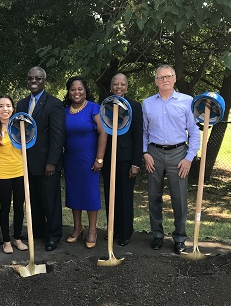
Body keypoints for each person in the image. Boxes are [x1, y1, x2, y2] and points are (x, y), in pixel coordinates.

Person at [142, 65, 200, 254]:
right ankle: (157, 236)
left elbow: (194, 132)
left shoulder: (187, 101)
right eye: (161, 77)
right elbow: (143, 131)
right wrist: (145, 153)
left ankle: (180, 238)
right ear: (156, 81)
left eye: (168, 76)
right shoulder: (148, 103)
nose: (165, 80)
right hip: (154, 153)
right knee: (153, 197)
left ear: (175, 78)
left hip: (179, 154)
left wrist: (189, 158)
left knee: (180, 199)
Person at [16, 66, 65, 251]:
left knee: (50, 201)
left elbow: (57, 136)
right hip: (26, 163)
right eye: (30, 78)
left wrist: (52, 162)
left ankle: (53, 235)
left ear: (44, 80)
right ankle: (37, 231)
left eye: (37, 78)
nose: (33, 81)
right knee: (33, 200)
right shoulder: (21, 105)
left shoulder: (54, 104)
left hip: (47, 163)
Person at [62, 76, 107, 248]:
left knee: (90, 194)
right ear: (69, 92)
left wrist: (99, 158)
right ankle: (77, 228)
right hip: (71, 159)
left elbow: (103, 133)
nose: (76, 92)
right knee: (74, 193)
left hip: (90, 160)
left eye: (80, 89)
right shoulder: (65, 111)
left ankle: (92, 230)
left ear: (85, 90)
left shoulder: (94, 108)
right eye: (73, 89)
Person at [102, 73, 143, 247]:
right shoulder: (104, 106)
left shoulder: (134, 106)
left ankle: (125, 233)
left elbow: (138, 135)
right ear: (111, 87)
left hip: (126, 159)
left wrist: (136, 163)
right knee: (110, 195)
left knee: (125, 196)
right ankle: (113, 229)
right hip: (107, 158)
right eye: (116, 84)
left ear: (127, 87)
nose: (119, 87)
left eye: (122, 84)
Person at [0, 95, 28, 254]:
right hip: (2, 174)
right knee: (5, 208)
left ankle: (17, 238)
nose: (5, 109)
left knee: (19, 207)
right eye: (1, 106)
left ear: (13, 108)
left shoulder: (19, 126)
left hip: (20, 172)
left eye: (8, 106)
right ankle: (6, 241)